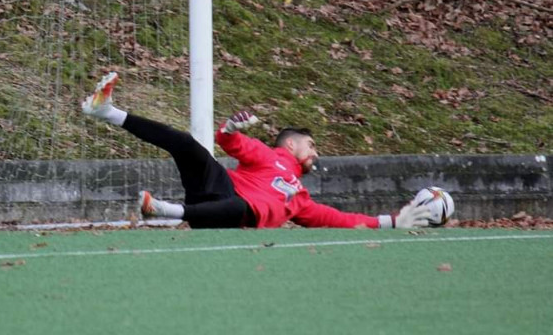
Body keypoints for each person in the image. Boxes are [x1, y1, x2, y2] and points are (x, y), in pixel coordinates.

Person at [82, 72, 431, 229]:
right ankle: (108, 112)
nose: (315, 152)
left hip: (232, 216)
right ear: (290, 144)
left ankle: (166, 210)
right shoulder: (272, 156)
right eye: (311, 145)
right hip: (217, 189)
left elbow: (338, 219)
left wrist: (390, 222)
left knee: (242, 207)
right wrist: (230, 128)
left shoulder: (301, 200)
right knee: (188, 145)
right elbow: (232, 143)